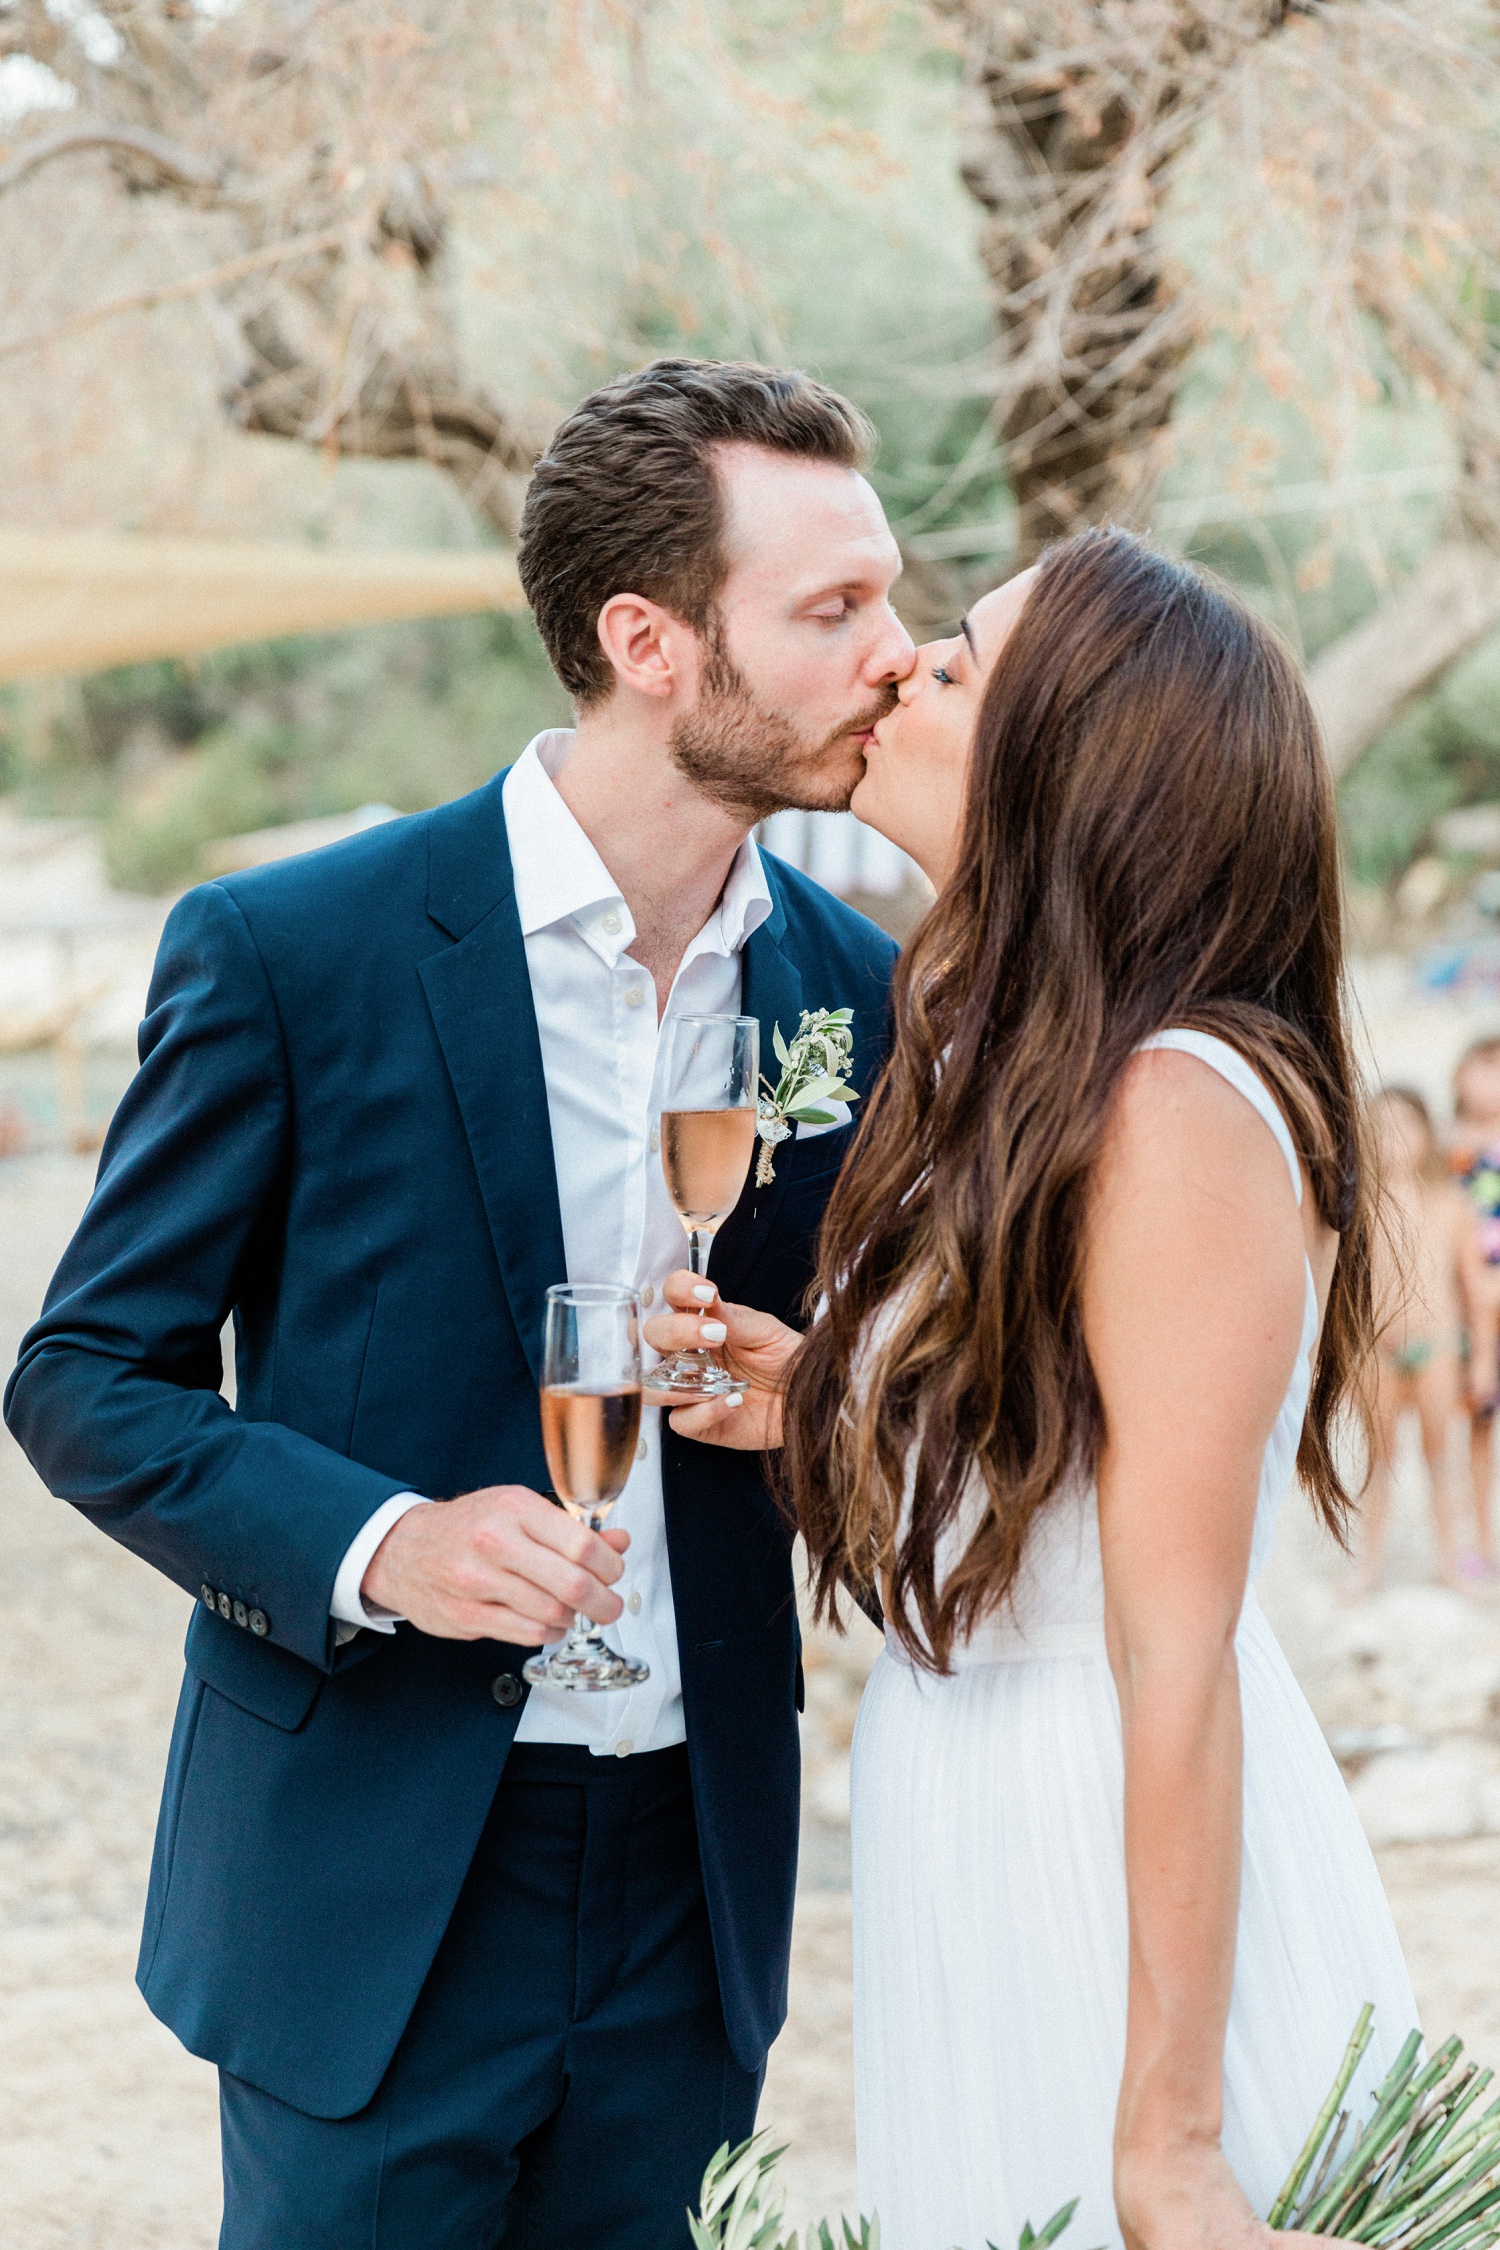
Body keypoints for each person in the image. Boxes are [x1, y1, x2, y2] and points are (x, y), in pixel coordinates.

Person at [3, 359, 913, 2249]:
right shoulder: (291, 951)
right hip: (372, 1873)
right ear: (647, 640)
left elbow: (887, 1372)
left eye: (889, 599)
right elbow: (87, 1377)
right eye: (834, 609)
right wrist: (381, 1542)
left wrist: (821, 1392)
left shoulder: (853, 987)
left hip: (697, 1873)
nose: (894, 654)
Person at [646, 529, 1419, 2250]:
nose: (906, 666)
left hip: (1097, 1824)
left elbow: (1174, 1635)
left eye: (961, 662)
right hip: (965, 1805)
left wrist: (1169, 2140)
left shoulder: (1174, 1106)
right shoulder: (1009, 1063)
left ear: (1082, 759)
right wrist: (831, 1403)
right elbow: (1053, 1465)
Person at [1353, 1087, 1471, 1597]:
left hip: (1438, 1347)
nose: (1394, 1139)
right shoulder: (1357, 1205)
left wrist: (1483, 1357)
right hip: (1377, 1348)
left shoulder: (1450, 1201)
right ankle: (1367, 1567)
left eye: (1406, 1125)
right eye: (1380, 1128)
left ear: (1427, 1132)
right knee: (1378, 1460)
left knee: (1439, 1458)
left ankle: (1451, 1563)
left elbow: (1465, 1285)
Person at [1450, 1034, 1500, 1581]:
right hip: (1465, 1304)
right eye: (1483, 1068)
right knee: (1479, 1424)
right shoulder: (1448, 1145)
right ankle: (1482, 1543)